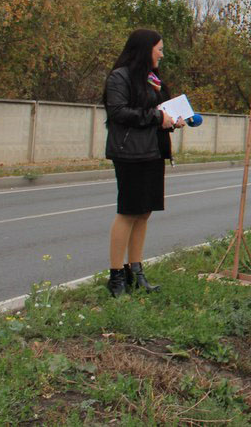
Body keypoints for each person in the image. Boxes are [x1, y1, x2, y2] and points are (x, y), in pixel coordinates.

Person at [103, 28, 184, 298]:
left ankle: (136, 272)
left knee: (144, 212)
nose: (162, 53)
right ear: (144, 49)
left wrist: (173, 119)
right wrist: (156, 118)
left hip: (152, 150)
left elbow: (160, 111)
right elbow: (118, 112)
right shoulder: (119, 77)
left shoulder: (153, 79)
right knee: (128, 212)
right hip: (129, 153)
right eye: (159, 48)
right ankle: (116, 278)